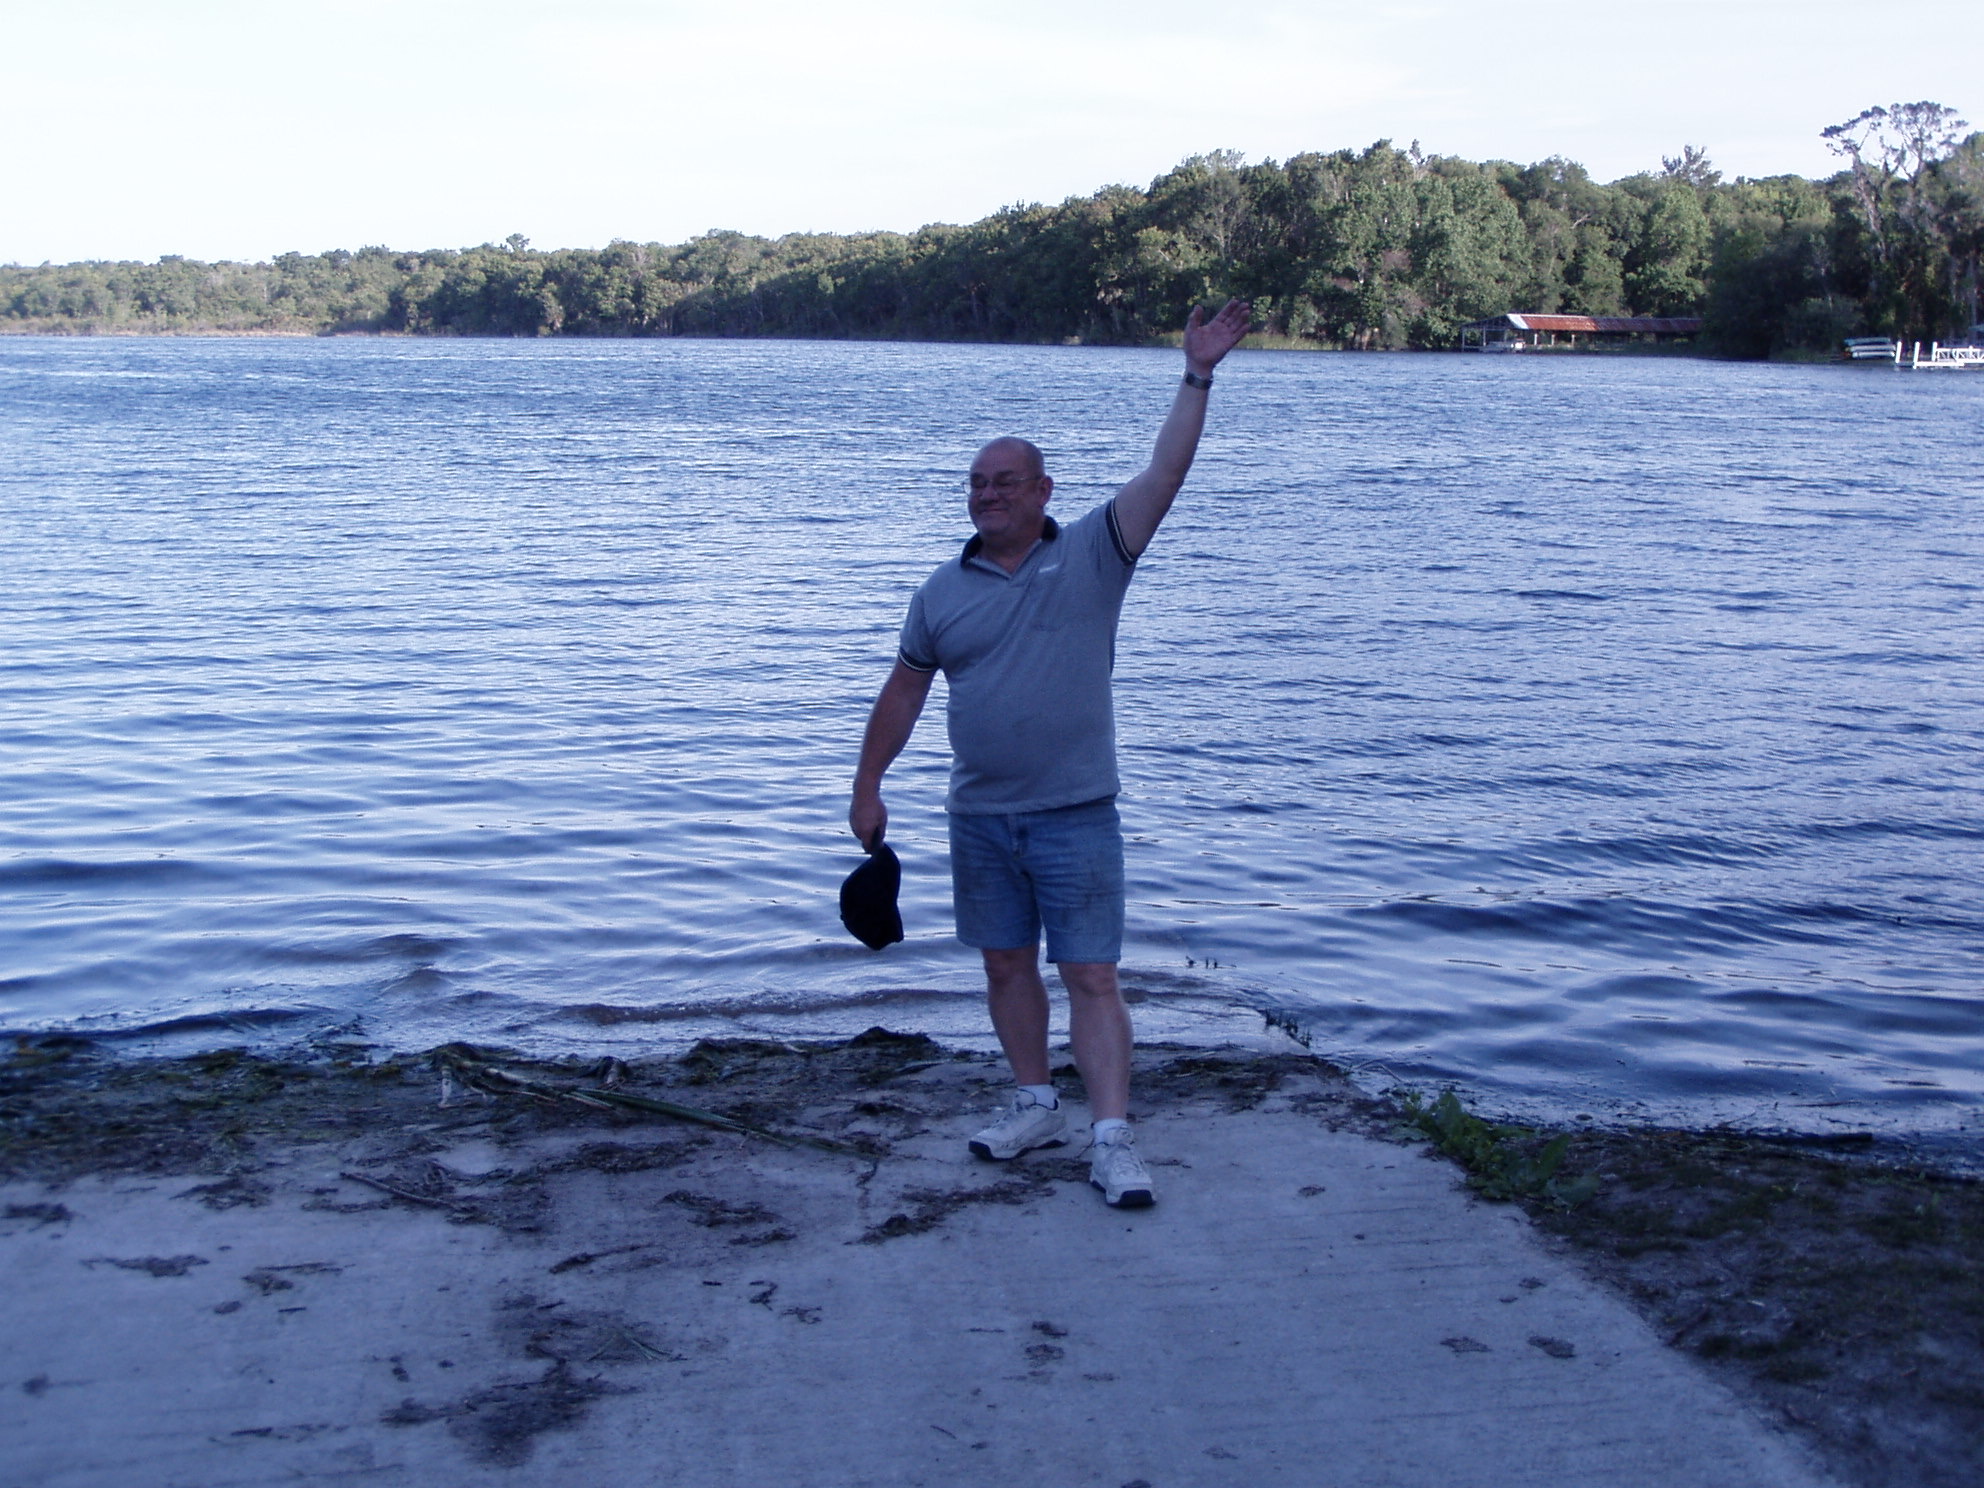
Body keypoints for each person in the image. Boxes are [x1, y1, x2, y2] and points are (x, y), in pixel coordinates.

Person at [849, 299, 1252, 1208]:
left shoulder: (1100, 552)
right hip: (980, 816)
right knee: (1004, 965)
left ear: (1043, 491)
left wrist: (1196, 374)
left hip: (1076, 812)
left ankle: (1111, 1138)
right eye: (976, 484)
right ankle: (1034, 1102)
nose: (987, 494)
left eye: (1006, 482)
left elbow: (1166, 471)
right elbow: (905, 691)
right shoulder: (939, 592)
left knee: (1092, 975)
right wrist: (867, 784)